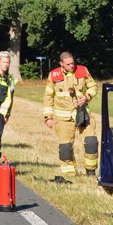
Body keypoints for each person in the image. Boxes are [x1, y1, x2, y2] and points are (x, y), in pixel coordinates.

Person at [42, 51, 100, 183]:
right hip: (63, 118)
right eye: (68, 64)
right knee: (65, 148)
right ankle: (70, 176)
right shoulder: (53, 75)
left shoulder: (83, 70)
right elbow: (48, 97)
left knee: (91, 142)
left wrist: (86, 97)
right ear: (61, 64)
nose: (71, 66)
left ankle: (91, 172)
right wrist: (48, 117)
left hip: (82, 114)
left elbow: (93, 86)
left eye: (72, 63)